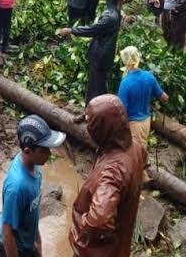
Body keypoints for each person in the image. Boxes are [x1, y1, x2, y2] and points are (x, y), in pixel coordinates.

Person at [69, 95, 146, 257]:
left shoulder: (111, 172)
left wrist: (81, 223)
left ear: (101, 130)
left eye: (91, 125)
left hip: (97, 251)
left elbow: (99, 220)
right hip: (120, 239)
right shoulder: (135, 147)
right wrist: (88, 114)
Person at [0, 115, 66, 257]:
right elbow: (7, 233)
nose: (49, 153)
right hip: (9, 246)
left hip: (25, 239)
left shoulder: (34, 166)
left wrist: (37, 240)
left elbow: (33, 211)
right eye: (44, 150)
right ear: (28, 151)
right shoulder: (17, 187)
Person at [59, 0, 122, 105]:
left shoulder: (109, 17)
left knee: (95, 85)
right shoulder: (117, 14)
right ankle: (100, 109)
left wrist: (71, 30)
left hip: (100, 55)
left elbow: (92, 29)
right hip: (106, 54)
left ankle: (92, 110)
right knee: (100, 83)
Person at [117, 46, 169, 148]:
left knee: (135, 153)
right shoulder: (149, 76)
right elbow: (164, 98)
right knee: (142, 148)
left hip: (133, 124)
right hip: (146, 121)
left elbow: (122, 111)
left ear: (124, 61)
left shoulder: (125, 83)